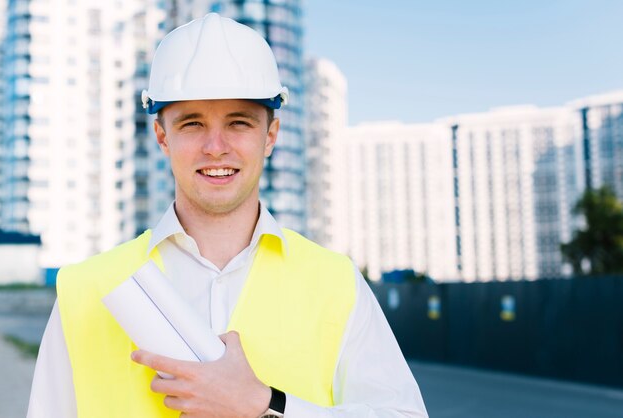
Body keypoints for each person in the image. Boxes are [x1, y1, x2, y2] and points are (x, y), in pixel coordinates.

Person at [27, 13, 428, 418]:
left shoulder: (336, 283)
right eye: (192, 124)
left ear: (270, 136)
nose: (215, 147)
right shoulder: (86, 288)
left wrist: (265, 406)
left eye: (238, 123)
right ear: (162, 136)